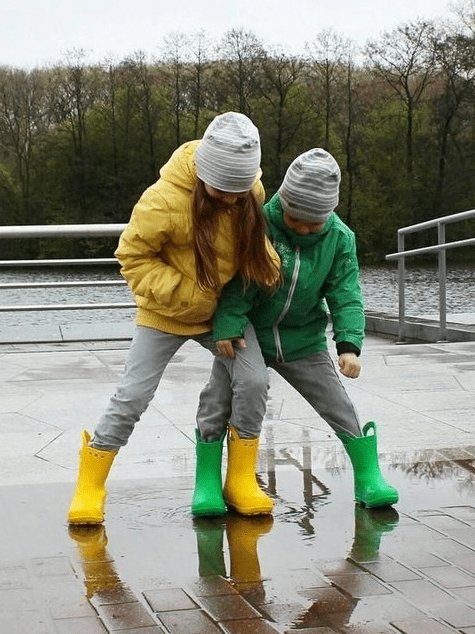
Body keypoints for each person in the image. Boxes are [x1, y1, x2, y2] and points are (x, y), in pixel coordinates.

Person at [67, 112, 281, 526]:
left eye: (240, 191)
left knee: (254, 380)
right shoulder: (162, 200)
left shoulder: (249, 191)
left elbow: (253, 246)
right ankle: (90, 485)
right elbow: (132, 258)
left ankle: (240, 479)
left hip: (221, 313)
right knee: (133, 396)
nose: (233, 200)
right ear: (203, 175)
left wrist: (263, 272)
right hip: (164, 312)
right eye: (223, 190)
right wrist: (193, 296)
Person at [207, 148, 399, 510]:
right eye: (295, 218)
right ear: (284, 202)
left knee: (338, 404)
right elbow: (239, 279)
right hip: (250, 333)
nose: (303, 229)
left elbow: (346, 294)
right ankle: (213, 481)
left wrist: (349, 345)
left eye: (315, 223)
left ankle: (368, 476)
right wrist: (229, 322)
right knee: (219, 400)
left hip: (304, 338)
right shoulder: (260, 222)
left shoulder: (340, 238)